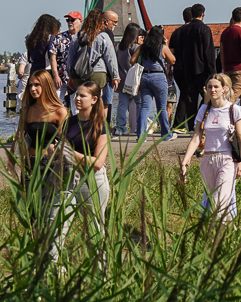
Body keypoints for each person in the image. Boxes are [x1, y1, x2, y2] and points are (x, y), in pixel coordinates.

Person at [51, 81, 109, 264]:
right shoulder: (70, 122)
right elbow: (59, 147)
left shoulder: (101, 125)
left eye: (82, 96)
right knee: (57, 222)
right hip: (68, 177)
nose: (77, 99)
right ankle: (52, 269)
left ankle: (101, 271)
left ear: (94, 100)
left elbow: (98, 163)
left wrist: (69, 152)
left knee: (94, 227)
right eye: (77, 95)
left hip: (92, 180)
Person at [181, 74, 241, 222]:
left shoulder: (234, 110)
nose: (212, 89)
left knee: (220, 202)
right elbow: (196, 137)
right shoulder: (204, 110)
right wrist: (185, 160)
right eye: (209, 87)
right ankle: (228, 238)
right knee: (212, 201)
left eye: (216, 87)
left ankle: (217, 238)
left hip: (227, 160)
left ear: (224, 89)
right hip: (207, 161)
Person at [13, 69, 67, 180]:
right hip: (30, 163)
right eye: (30, 85)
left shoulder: (59, 111)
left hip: (52, 163)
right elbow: (17, 137)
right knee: (28, 196)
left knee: (50, 197)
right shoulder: (26, 111)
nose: (32, 89)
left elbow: (65, 141)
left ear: (46, 85)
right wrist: (11, 162)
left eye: (37, 85)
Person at [171, 3, 215, 131]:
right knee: (208, 97)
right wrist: (212, 71)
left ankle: (191, 126)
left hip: (187, 69)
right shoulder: (205, 29)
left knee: (190, 98)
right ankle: (201, 120)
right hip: (202, 69)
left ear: (191, 14)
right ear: (203, 14)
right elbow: (208, 51)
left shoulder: (183, 30)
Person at [66, 11, 120, 107]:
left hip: (79, 73)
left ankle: (82, 120)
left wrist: (70, 75)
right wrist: (115, 76)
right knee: (96, 99)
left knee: (82, 98)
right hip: (98, 72)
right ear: (100, 22)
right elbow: (110, 58)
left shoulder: (77, 37)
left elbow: (70, 58)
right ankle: (97, 121)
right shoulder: (103, 37)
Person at [134, 25, 176, 139]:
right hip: (158, 76)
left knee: (145, 106)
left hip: (144, 76)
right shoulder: (162, 47)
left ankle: (141, 135)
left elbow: (132, 60)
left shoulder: (142, 47)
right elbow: (172, 60)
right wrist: (166, 46)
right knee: (161, 107)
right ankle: (166, 134)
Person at [114, 23, 143, 135]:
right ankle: (139, 126)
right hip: (134, 80)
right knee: (139, 103)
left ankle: (120, 128)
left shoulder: (119, 47)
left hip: (122, 80)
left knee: (122, 104)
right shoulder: (134, 47)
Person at [25, 14, 62, 88]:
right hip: (46, 71)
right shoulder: (50, 38)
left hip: (33, 71)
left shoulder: (31, 38)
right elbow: (51, 57)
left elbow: (29, 58)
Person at [52, 12, 82, 102]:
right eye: (68, 20)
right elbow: (53, 57)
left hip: (78, 77)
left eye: (72, 20)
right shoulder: (59, 38)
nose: (70, 22)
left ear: (80, 21)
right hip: (61, 76)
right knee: (57, 103)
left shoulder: (84, 38)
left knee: (76, 105)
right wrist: (56, 75)